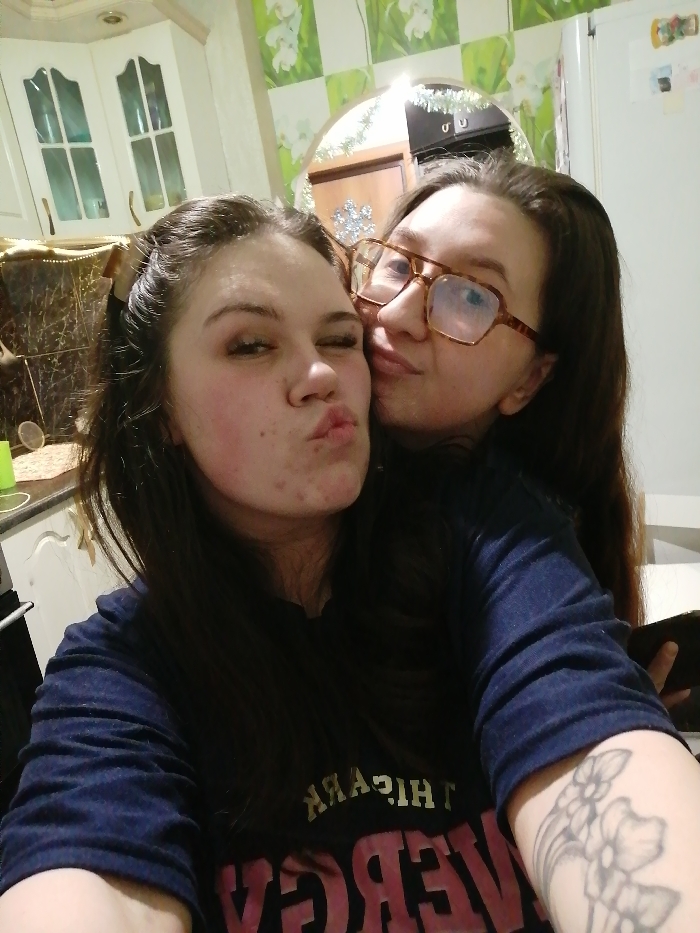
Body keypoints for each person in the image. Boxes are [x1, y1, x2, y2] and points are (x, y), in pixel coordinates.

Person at [0, 191, 698, 933]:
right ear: (160, 402)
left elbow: (587, 741)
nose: (321, 373)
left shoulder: (486, 549)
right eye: (250, 345)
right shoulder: (121, 671)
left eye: (339, 339)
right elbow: (84, 865)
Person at [350, 153, 689, 703]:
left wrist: (606, 717)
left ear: (529, 380)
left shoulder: (516, 536)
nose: (395, 315)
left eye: (471, 296)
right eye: (396, 265)